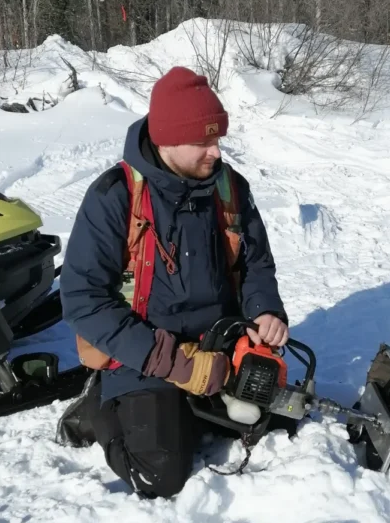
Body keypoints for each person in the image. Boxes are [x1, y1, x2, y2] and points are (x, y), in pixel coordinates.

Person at [59, 65, 288, 498]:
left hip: (218, 346)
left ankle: (186, 408)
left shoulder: (230, 189)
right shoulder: (116, 197)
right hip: (143, 354)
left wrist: (266, 311)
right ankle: (98, 404)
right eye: (203, 141)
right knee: (161, 475)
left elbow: (257, 266)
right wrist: (178, 365)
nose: (216, 153)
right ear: (166, 140)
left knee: (281, 422)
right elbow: (82, 300)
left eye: (217, 139)